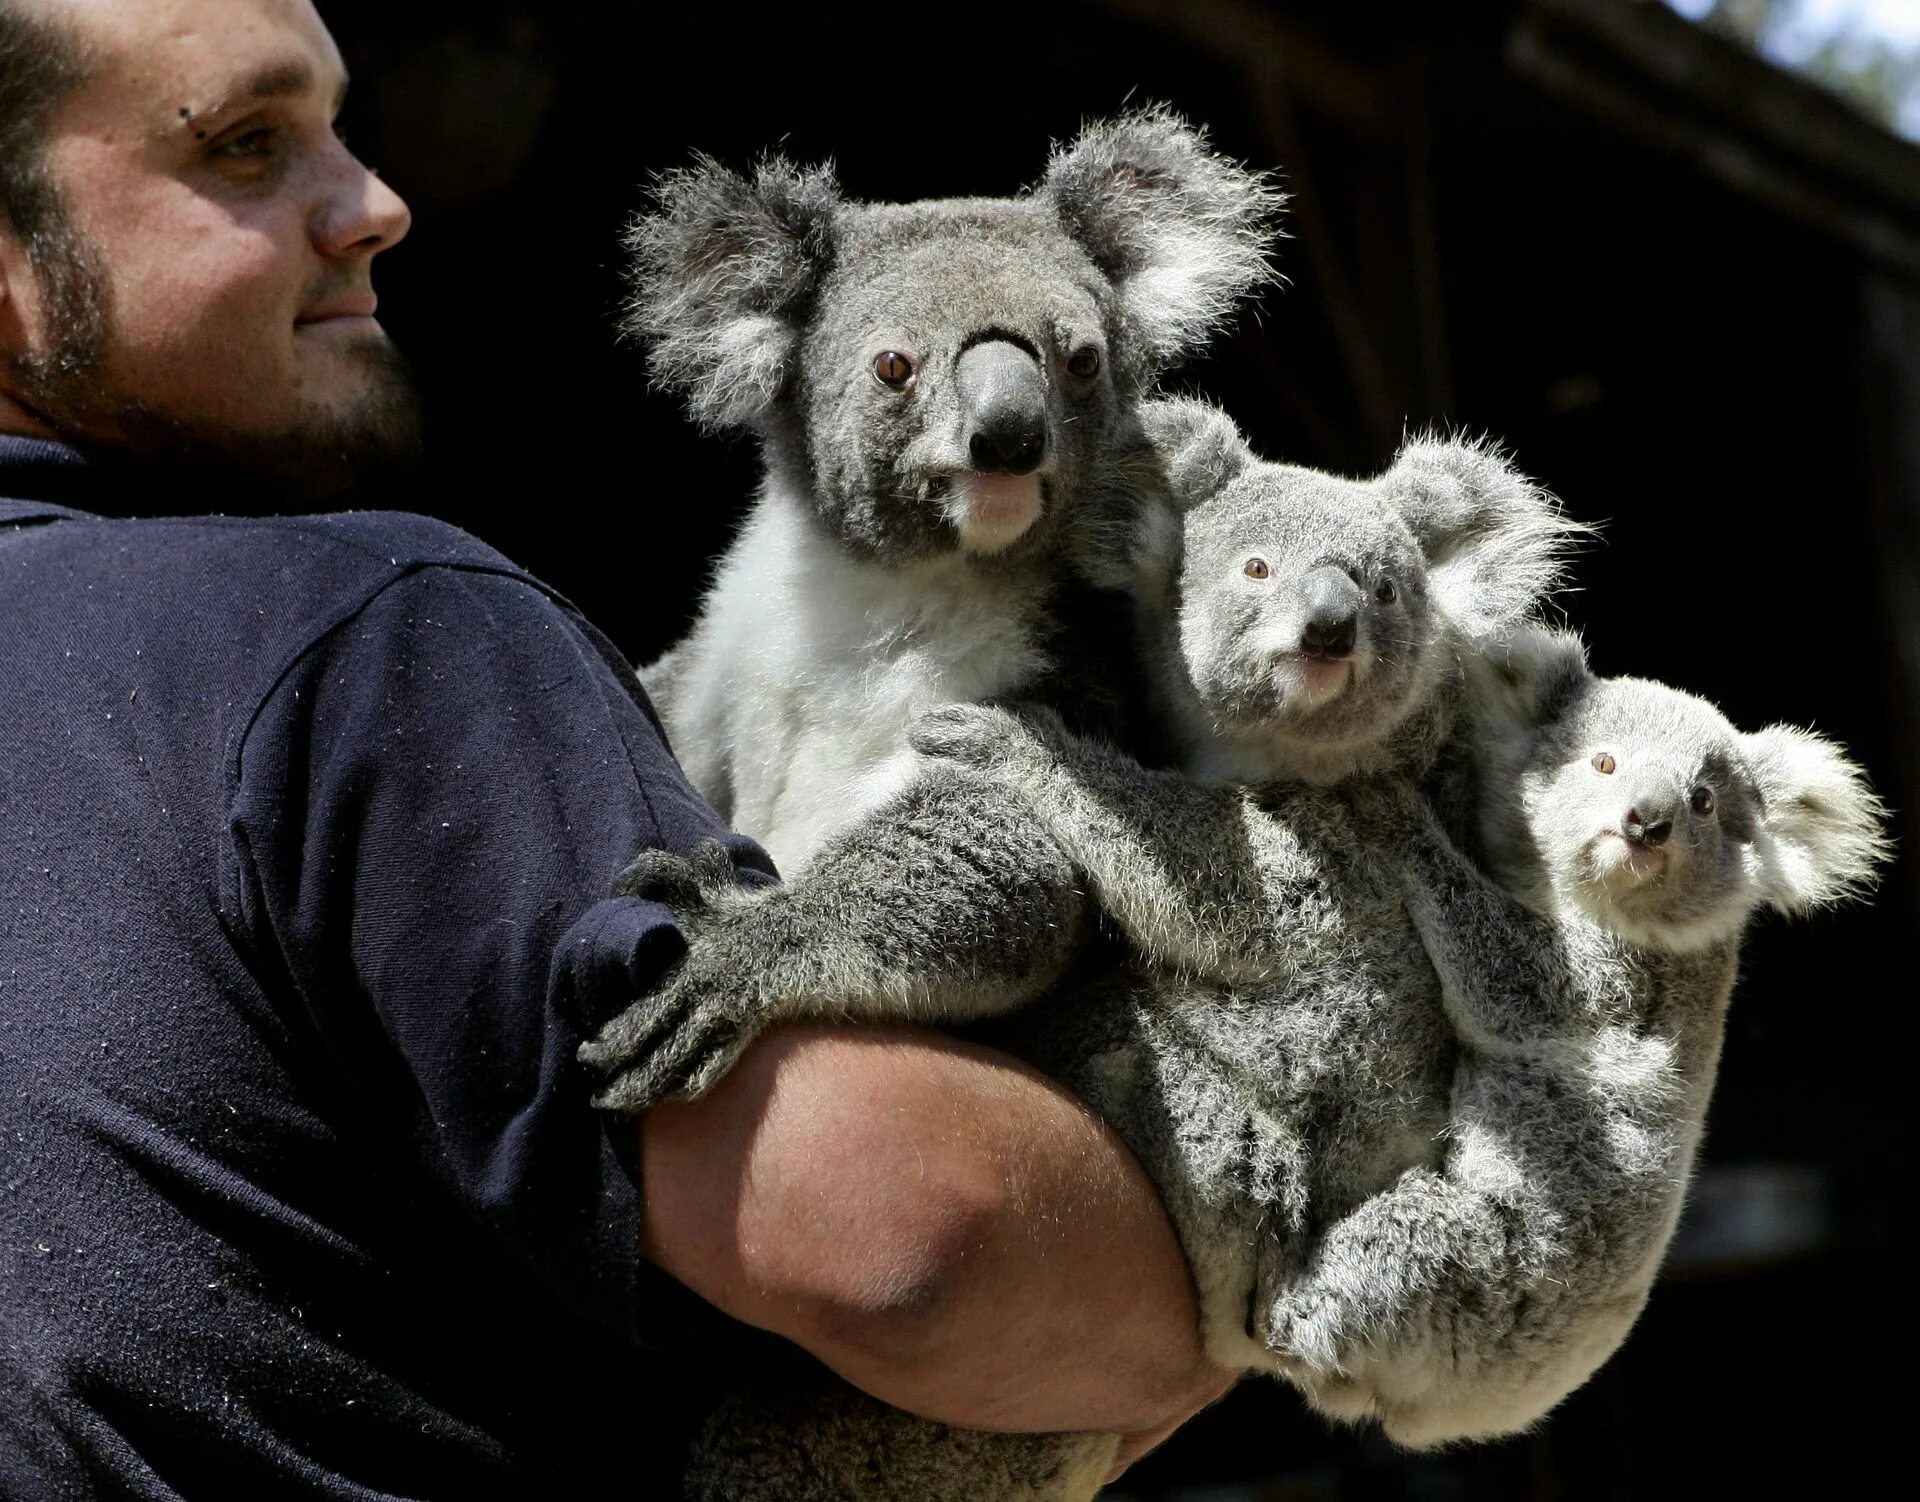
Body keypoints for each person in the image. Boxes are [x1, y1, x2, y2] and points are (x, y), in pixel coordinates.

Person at [0, 1, 1233, 1495]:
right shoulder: (366, 632)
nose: (378, 204)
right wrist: (1256, 1271)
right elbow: (914, 1244)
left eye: (339, 126)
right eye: (247, 147)